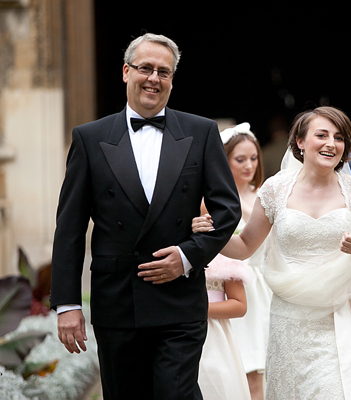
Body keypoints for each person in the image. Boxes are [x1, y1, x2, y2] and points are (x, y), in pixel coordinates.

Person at [50, 33, 241, 399]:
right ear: (126, 72)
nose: (154, 78)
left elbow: (227, 209)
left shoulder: (201, 132)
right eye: (146, 68)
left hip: (180, 301)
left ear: (172, 80)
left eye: (164, 72)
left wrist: (187, 256)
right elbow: (70, 227)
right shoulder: (89, 138)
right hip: (118, 301)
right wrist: (68, 304)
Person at [193, 106, 351, 399]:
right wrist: (212, 233)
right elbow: (245, 246)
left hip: (339, 316)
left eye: (338, 138)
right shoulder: (275, 189)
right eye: (321, 135)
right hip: (289, 318)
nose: (331, 144)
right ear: (300, 142)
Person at [202, 122, 272, 400]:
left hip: (266, 290)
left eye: (253, 158)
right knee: (238, 369)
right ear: (224, 160)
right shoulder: (211, 201)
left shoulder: (266, 197)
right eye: (240, 159)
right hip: (235, 286)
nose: (249, 166)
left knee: (261, 374)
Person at [198, 254, 252, 400]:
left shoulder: (223, 256)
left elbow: (239, 305)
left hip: (213, 336)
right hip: (170, 331)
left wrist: (195, 309)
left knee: (214, 385)